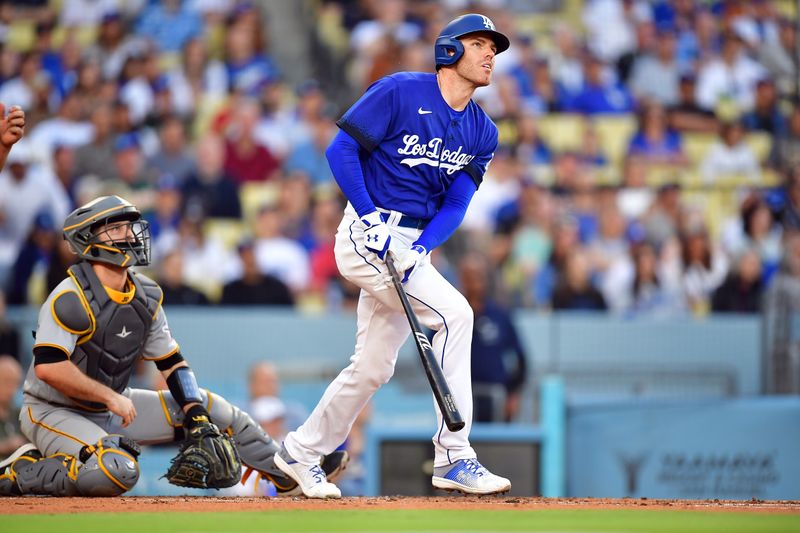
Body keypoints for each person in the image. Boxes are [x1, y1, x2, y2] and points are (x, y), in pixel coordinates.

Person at [274, 13, 512, 498]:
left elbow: (457, 203)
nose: (490, 54)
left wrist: (421, 248)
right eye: (479, 43)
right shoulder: (400, 91)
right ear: (450, 50)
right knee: (456, 314)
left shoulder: (483, 131)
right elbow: (341, 151)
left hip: (411, 246)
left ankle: (299, 451)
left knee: (373, 368)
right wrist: (369, 216)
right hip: (367, 231)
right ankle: (454, 455)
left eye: (495, 47)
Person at [0, 195, 346, 497]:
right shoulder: (69, 297)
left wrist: (194, 413)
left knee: (215, 409)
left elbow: (172, 363)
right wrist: (110, 397)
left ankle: (285, 473)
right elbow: (48, 366)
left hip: (113, 407)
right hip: (52, 411)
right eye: (116, 228)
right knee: (117, 471)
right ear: (89, 239)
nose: (129, 234)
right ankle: (24, 471)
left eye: (129, 226)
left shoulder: (146, 295)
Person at [0, 356, 26, 461]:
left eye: (15, 383)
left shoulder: (18, 414)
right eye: (6, 381)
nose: (11, 389)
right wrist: (5, 446)